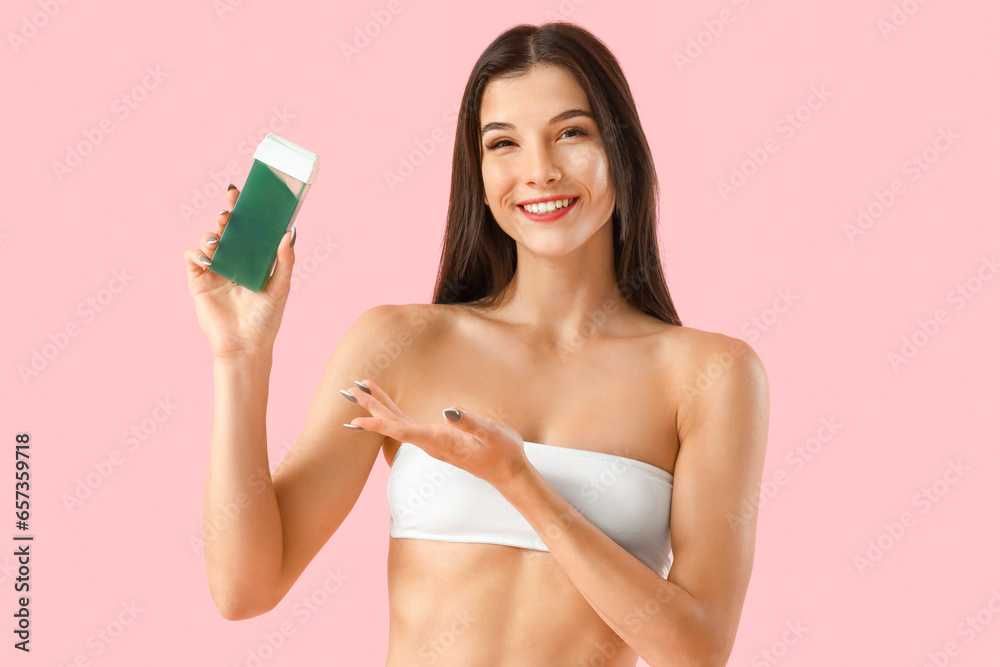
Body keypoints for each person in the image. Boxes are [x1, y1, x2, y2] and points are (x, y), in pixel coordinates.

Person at [184, 21, 769, 667]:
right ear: (479, 169)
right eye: (504, 143)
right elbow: (245, 587)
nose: (539, 171)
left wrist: (520, 481)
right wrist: (240, 357)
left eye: (570, 133)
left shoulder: (711, 373)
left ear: (620, 149)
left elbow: (698, 649)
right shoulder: (401, 342)